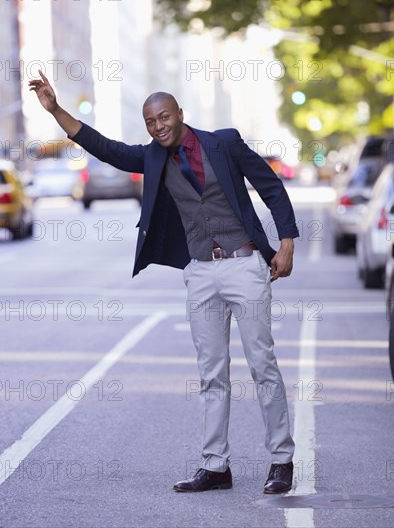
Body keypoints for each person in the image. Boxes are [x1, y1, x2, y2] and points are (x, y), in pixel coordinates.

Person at [29, 70, 299, 494]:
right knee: (212, 372)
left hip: (244, 263)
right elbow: (105, 148)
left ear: (179, 114)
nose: (158, 127)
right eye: (151, 122)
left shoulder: (223, 142)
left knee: (262, 364)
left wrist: (286, 242)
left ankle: (281, 460)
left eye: (163, 118)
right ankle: (216, 466)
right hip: (200, 270)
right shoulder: (153, 157)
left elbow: (270, 186)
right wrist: (55, 109)